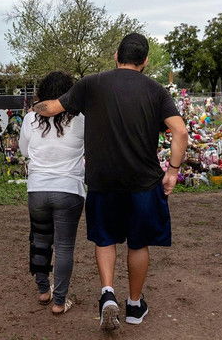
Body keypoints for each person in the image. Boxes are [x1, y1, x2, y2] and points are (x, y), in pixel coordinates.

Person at [32, 33, 188, 330]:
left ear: (116, 56)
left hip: (103, 181)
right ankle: (134, 305)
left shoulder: (91, 83)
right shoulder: (156, 91)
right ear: (145, 61)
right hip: (143, 182)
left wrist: (33, 107)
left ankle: (107, 294)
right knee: (138, 244)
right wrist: (173, 171)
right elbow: (179, 132)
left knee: (105, 240)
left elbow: (50, 109)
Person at [19, 71, 85, 315]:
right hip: (69, 189)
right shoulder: (81, 119)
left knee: (40, 240)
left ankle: (43, 290)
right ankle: (59, 301)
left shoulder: (30, 119)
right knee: (64, 246)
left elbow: (24, 151)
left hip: (37, 189)